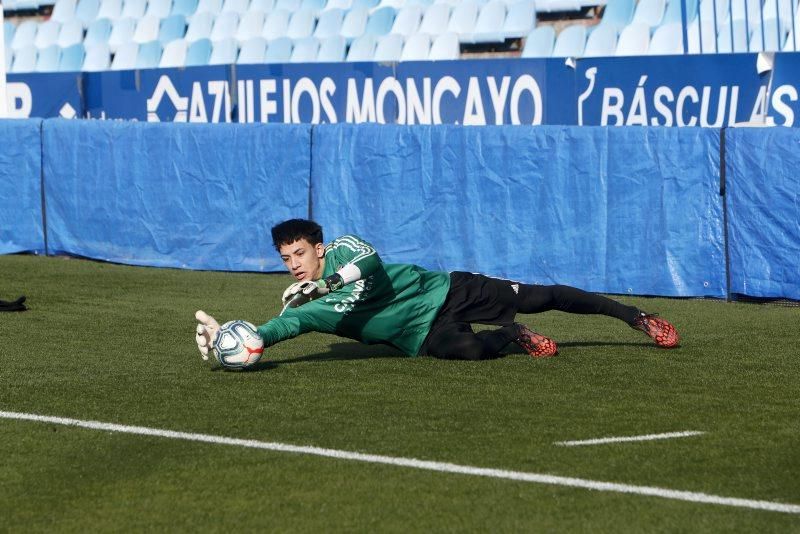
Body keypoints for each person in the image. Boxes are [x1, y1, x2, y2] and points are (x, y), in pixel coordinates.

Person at [195, 219, 679, 362]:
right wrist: (230, 342)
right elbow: (276, 331)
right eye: (286, 259)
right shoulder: (307, 306)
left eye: (299, 253)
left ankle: (634, 318)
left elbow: (369, 264)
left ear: (317, 248)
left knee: (542, 295)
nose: (293, 265)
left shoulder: (342, 251)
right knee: (469, 351)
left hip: (449, 293)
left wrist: (327, 281)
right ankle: (514, 337)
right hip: (422, 336)